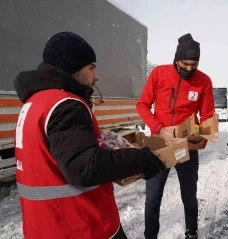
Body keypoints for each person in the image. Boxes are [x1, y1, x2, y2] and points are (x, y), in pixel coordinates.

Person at [14, 32, 165, 239]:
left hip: (45, 226)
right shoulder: (66, 104)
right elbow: (85, 168)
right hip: (84, 225)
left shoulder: (36, 102)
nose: (96, 76)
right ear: (72, 68)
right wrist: (142, 159)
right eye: (91, 68)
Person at [136, 33, 215, 239]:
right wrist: (158, 127)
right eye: (185, 63)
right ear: (176, 58)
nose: (189, 69)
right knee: (152, 198)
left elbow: (207, 116)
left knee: (189, 196)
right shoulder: (159, 74)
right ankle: (150, 235)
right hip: (159, 144)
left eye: (194, 64)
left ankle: (191, 232)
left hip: (185, 146)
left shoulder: (204, 81)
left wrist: (202, 141)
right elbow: (142, 105)